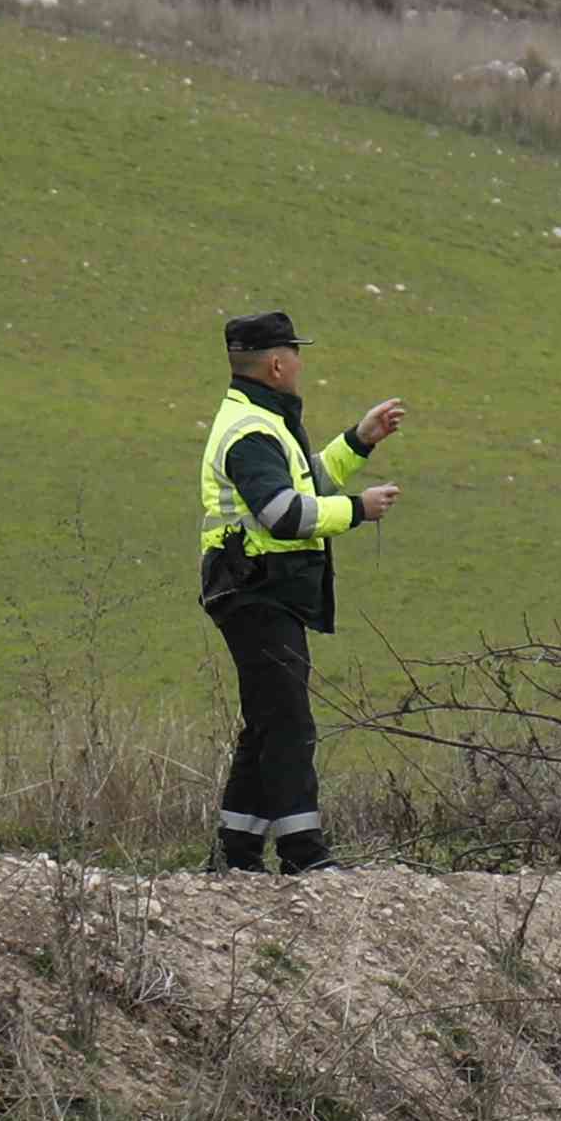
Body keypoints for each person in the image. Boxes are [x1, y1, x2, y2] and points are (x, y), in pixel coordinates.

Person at [197, 312, 407, 874]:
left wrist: (359, 441)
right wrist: (358, 511)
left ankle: (236, 855)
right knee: (289, 724)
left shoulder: (260, 421)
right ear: (276, 363)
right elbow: (284, 513)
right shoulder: (252, 432)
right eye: (296, 353)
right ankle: (303, 855)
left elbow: (303, 483)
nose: (300, 364)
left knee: (268, 721)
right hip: (255, 588)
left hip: (257, 588)